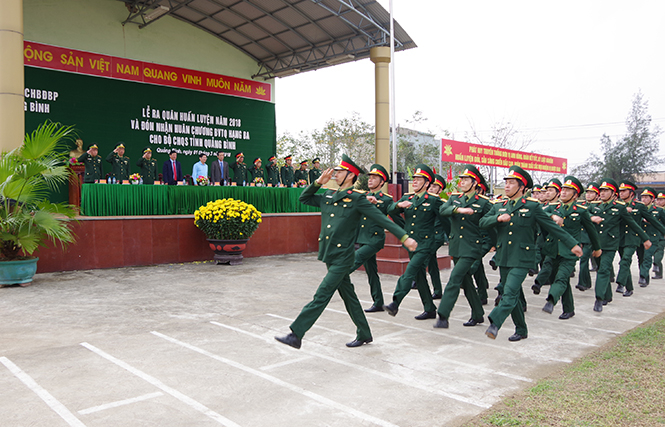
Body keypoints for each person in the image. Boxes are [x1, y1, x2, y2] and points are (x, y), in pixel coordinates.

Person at [274, 154, 417, 349]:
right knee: (348, 295)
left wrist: (404, 238)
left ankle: (296, 333)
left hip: (343, 256)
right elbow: (304, 197)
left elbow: (382, 219)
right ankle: (364, 333)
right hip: (328, 253)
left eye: (340, 171)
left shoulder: (357, 199)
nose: (335, 174)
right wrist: (317, 182)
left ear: (350, 175)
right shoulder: (328, 195)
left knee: (322, 294)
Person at [480, 166, 582, 341]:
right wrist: (497, 219)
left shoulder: (533, 207)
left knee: (509, 292)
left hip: (522, 258)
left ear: (522, 188)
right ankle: (521, 329)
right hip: (504, 256)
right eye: (506, 183)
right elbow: (482, 222)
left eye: (512, 183)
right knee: (513, 294)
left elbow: (552, 228)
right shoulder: (499, 206)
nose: (507, 186)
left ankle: (495, 323)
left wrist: (572, 244)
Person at [434, 165, 495, 329]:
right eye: (461, 179)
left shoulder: (483, 203)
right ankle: (478, 314)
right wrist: (458, 209)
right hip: (456, 247)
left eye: (466, 179)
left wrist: (490, 245)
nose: (462, 182)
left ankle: (443, 315)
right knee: (466, 280)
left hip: (471, 248)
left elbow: (492, 225)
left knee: (455, 279)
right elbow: (443, 210)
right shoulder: (454, 199)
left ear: (475, 183)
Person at [383, 164, 442, 320]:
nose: (414, 182)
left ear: (427, 183)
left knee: (410, 271)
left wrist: (444, 238)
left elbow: (445, 220)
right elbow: (390, 210)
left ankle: (395, 303)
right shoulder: (407, 198)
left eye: (419, 179)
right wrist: (398, 206)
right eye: (414, 179)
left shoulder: (434, 200)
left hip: (426, 244)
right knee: (420, 275)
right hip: (411, 243)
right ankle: (429, 308)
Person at [541, 176, 602, 320]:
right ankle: (569, 309)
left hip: (570, 251)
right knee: (563, 281)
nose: (563, 192)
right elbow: (540, 212)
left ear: (575, 195)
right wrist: (552, 217)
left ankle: (551, 300)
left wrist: (597, 248)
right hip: (554, 250)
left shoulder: (581, 211)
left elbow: (592, 231)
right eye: (563, 189)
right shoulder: (554, 207)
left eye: (568, 190)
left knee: (561, 278)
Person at [588, 179, 650, 309]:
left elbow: (633, 224)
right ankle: (607, 295)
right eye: (602, 190)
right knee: (602, 269)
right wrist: (591, 217)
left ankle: (598, 299)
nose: (603, 193)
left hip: (611, 244)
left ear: (613, 193)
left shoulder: (619, 207)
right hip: (598, 244)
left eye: (606, 191)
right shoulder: (595, 205)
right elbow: (583, 212)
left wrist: (645, 239)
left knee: (604, 270)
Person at [347, 163, 402, 312]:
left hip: (374, 239)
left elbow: (395, 217)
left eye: (374, 178)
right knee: (372, 272)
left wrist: (407, 233)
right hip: (362, 238)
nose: (370, 180)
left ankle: (336, 278)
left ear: (382, 182)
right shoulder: (362, 196)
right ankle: (378, 302)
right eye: (369, 177)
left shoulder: (386, 200)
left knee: (352, 261)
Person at [614, 181, 665, 296]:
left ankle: (621, 284)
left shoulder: (639, 206)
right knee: (624, 262)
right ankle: (629, 288)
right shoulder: (616, 205)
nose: (621, 193)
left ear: (631, 193)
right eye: (620, 191)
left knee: (626, 260)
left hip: (633, 238)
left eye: (624, 191)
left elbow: (653, 221)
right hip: (620, 238)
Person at [427, 174, 451, 300]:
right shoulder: (424, 201)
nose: (431, 188)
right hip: (426, 236)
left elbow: (447, 223)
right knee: (432, 264)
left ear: (440, 190)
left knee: (425, 256)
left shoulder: (442, 203)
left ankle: (414, 278)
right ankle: (437, 290)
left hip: (437, 237)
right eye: (430, 185)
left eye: (435, 186)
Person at [636, 187, 665, 287]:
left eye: (646, 197)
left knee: (647, 257)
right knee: (641, 258)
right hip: (640, 237)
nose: (643, 199)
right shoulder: (638, 208)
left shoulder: (659, 210)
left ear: (652, 199)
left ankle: (643, 277)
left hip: (652, 237)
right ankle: (645, 277)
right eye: (642, 197)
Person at [576, 182, 601, 291]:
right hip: (582, 237)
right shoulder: (582, 204)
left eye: (592, 193)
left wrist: (589, 216)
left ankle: (583, 282)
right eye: (587, 192)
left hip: (592, 237)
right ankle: (586, 282)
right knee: (584, 259)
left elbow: (595, 216)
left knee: (584, 259)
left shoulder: (599, 205)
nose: (588, 195)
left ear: (597, 195)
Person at [652, 192, 665, 280]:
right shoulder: (653, 209)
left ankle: (656, 265)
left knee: (658, 253)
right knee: (654, 253)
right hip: (653, 235)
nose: (659, 202)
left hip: (662, 236)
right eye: (658, 200)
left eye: (661, 200)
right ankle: (659, 273)